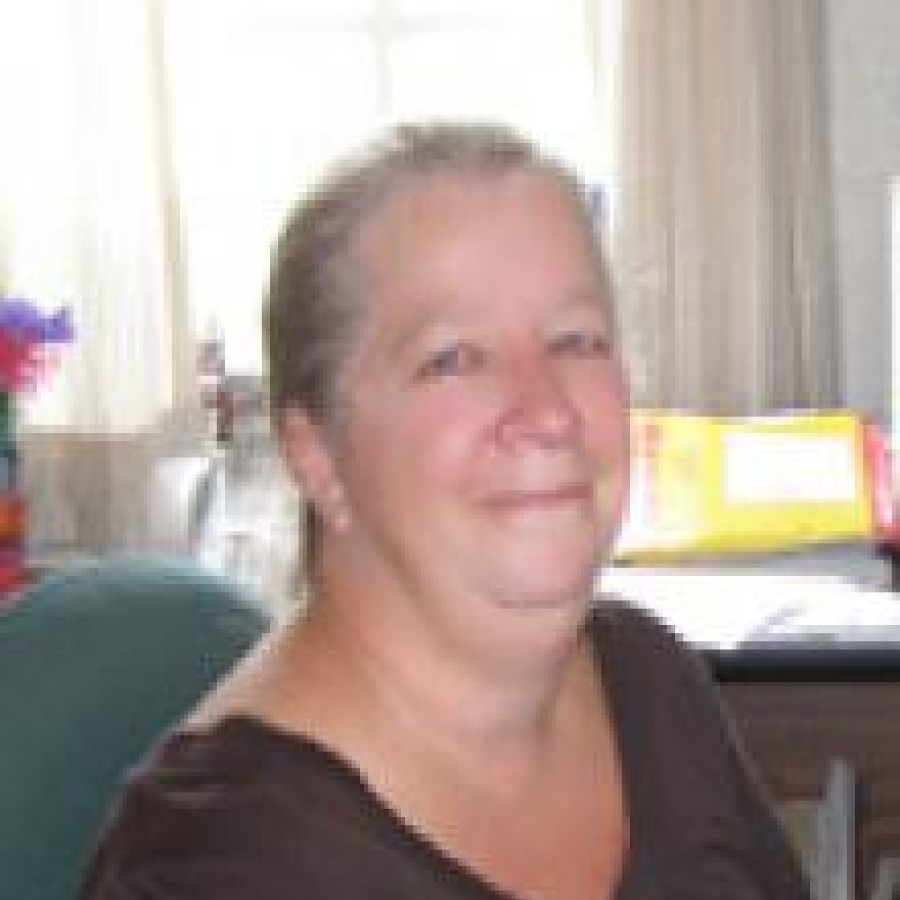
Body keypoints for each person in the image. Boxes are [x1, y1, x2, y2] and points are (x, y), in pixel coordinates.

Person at [80, 122, 810, 900]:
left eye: (576, 340)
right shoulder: (209, 869)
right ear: (318, 453)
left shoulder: (646, 681)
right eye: (453, 358)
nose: (547, 410)